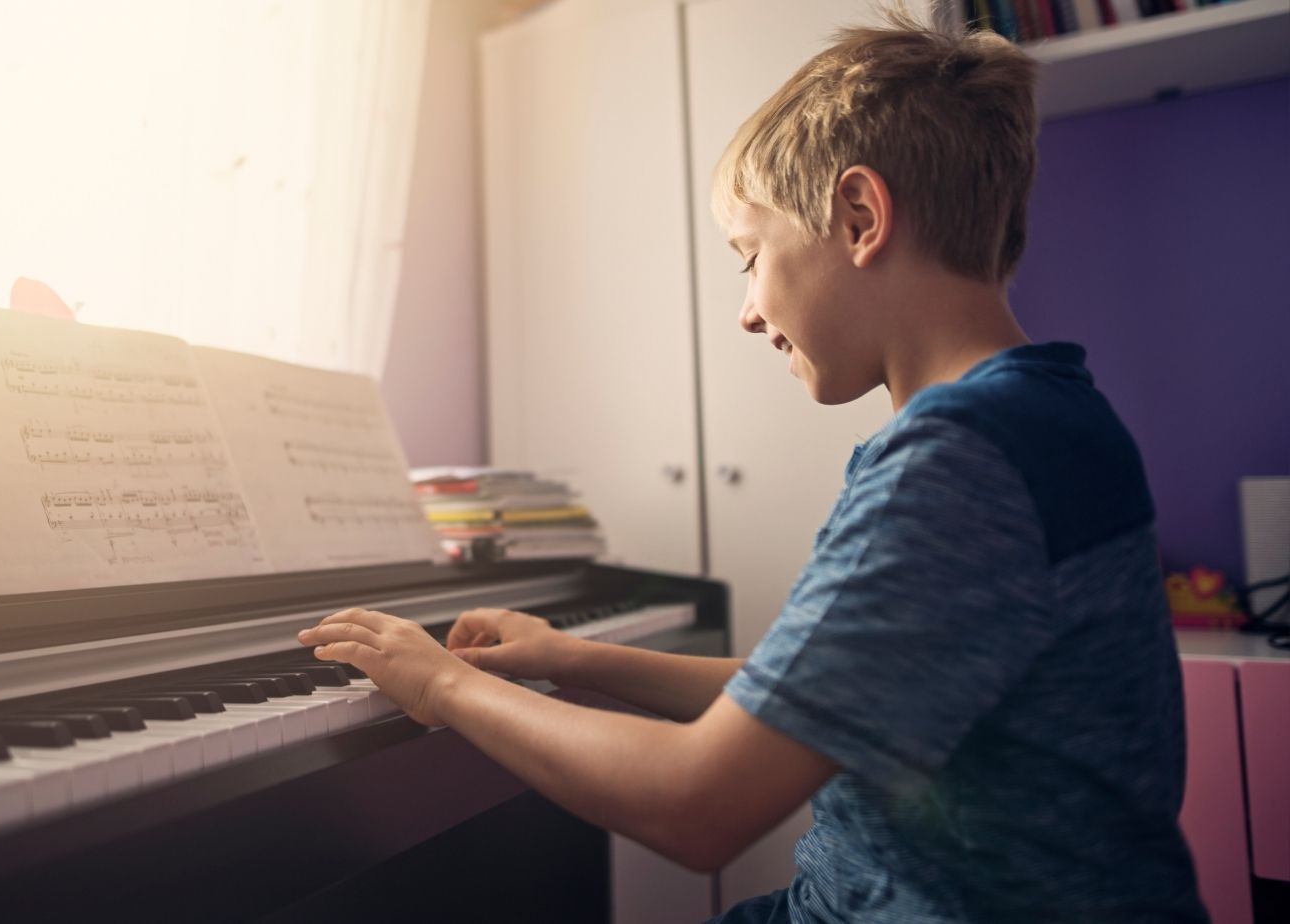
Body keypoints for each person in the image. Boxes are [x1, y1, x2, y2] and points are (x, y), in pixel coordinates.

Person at [298, 9, 1206, 922]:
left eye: (751, 258)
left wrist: (442, 685)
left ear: (859, 216)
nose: (746, 311)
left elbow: (696, 804)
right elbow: (807, 697)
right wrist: (572, 656)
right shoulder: (1045, 414)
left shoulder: (958, 462)